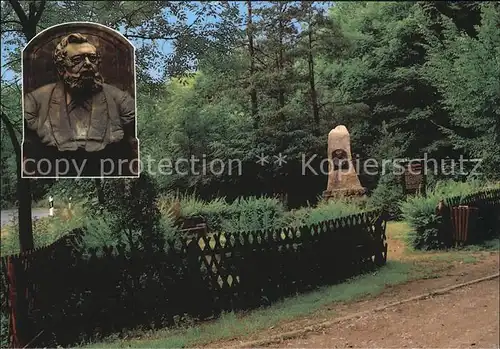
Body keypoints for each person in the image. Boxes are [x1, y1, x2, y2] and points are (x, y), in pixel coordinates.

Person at [23, 33, 138, 177]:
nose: (88, 64)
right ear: (61, 68)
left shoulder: (121, 101)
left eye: (92, 58)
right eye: (77, 60)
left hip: (106, 164)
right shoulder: (35, 102)